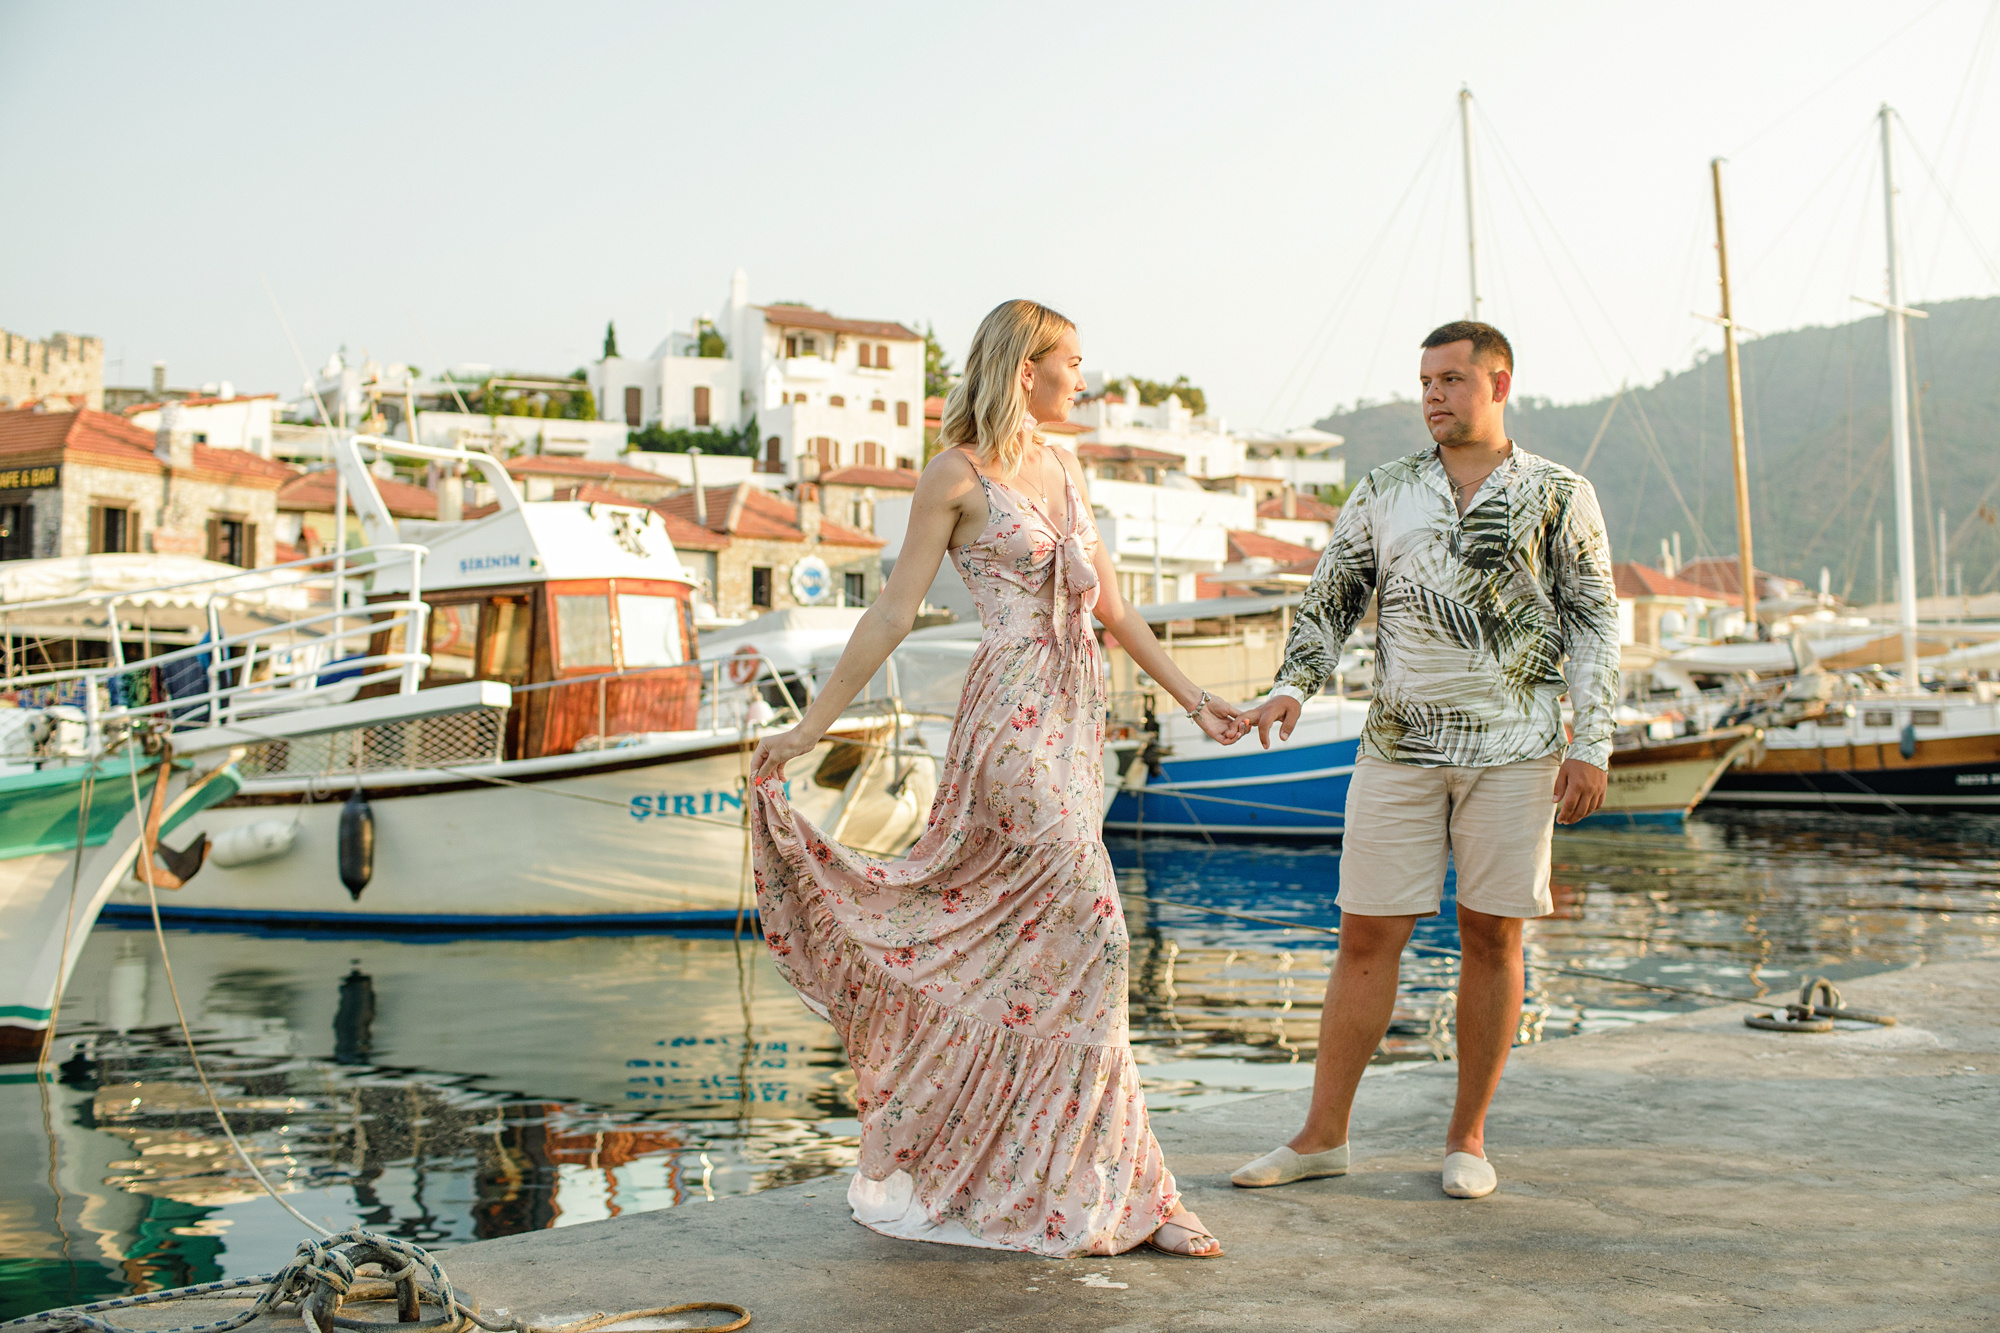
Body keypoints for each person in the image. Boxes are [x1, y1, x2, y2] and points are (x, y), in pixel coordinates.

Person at [749, 299, 1243, 1257]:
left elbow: (1115, 610)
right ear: (1026, 368)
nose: (1084, 382)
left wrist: (1192, 700)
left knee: (1050, 957)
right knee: (1098, 929)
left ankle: (1108, 1189)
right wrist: (812, 726)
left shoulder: (1065, 466)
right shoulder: (956, 475)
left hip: (1074, 719)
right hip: (1009, 724)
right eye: (1073, 364)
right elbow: (892, 614)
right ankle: (1108, 1187)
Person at [1224, 320, 1619, 1200]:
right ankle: (1323, 1136)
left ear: (1499, 383)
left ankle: (1468, 1138)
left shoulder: (1560, 494)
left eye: (1450, 379)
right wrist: (1294, 681)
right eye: (1426, 381)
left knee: (1493, 935)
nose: (1434, 395)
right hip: (1398, 745)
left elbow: (1594, 621)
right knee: (1366, 933)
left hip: (1518, 750)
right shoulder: (1386, 488)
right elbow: (1332, 595)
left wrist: (1591, 741)